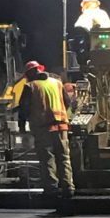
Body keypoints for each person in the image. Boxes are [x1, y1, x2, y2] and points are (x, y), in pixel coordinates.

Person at [18, 60, 76, 200]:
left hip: (43, 128)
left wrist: (22, 128)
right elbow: (68, 102)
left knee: (47, 159)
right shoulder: (57, 83)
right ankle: (68, 188)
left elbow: (23, 110)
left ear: (30, 74)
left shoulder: (31, 86)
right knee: (64, 158)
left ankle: (51, 190)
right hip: (62, 127)